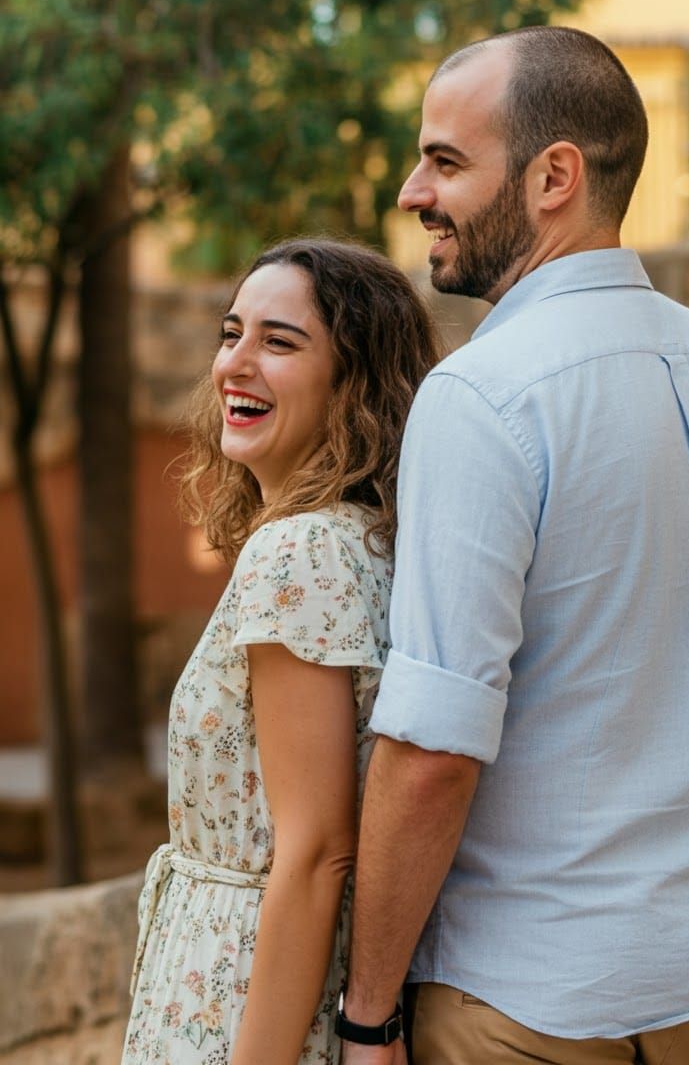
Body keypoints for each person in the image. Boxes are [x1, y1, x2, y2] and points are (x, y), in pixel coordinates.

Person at [337, 27, 689, 1065]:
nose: (411, 192)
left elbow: (432, 751)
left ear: (552, 177)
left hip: (524, 1006)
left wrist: (368, 1015)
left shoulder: (480, 395)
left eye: (444, 161)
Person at [122, 238, 439, 1065]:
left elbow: (318, 852)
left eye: (280, 342)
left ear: (355, 384)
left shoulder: (298, 551)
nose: (235, 364)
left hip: (242, 995)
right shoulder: (367, 541)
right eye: (232, 334)